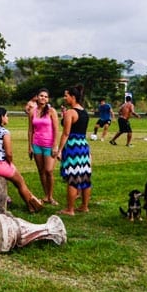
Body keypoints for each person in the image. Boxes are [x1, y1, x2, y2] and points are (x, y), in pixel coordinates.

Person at [0, 107, 44, 213]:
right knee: (20, 182)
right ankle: (31, 206)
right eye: (6, 115)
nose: (8, 118)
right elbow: (9, 153)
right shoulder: (4, 132)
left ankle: (32, 201)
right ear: (2, 117)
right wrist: (10, 162)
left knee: (16, 180)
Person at [56, 84, 91, 215]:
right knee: (84, 176)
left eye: (66, 95)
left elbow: (66, 133)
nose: (65, 98)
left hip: (73, 145)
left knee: (73, 177)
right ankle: (84, 206)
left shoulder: (71, 112)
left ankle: (70, 209)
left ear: (73, 97)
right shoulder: (84, 112)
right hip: (83, 144)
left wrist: (59, 150)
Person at [27, 89, 60, 206]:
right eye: (41, 96)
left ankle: (50, 196)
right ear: (37, 97)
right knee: (41, 171)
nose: (43, 98)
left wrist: (55, 145)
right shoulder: (32, 112)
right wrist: (30, 146)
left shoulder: (51, 111)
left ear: (48, 99)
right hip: (37, 145)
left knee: (49, 171)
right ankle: (46, 196)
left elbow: (56, 129)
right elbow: (30, 130)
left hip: (49, 145)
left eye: (46, 96)